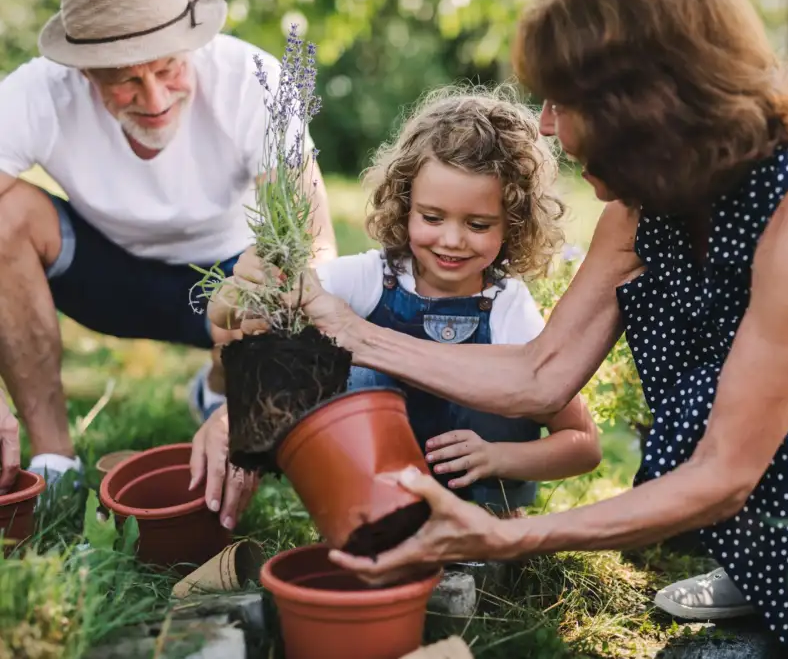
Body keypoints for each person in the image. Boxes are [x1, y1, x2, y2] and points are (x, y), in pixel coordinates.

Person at [281, 0, 788, 657]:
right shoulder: (648, 203)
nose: (544, 126)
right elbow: (543, 373)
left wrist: (510, 536)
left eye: (562, 103)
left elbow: (722, 473)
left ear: (642, 103)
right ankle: (764, 572)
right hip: (769, 482)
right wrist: (353, 334)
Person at [194, 88, 601, 528]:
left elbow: (583, 443)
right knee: (347, 368)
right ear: (405, 207)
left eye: (478, 224)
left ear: (514, 224)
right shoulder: (373, 277)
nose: (451, 239)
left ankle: (489, 528)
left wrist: (499, 457)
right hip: (375, 499)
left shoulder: (508, 308)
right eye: (431, 217)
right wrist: (240, 287)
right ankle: (364, 513)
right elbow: (241, 314)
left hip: (478, 513)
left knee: (503, 381)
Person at [0, 0, 336, 493]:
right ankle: (54, 463)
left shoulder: (251, 79)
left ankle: (219, 391)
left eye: (168, 69)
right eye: (126, 81)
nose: (155, 99)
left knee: (279, 273)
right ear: (84, 72)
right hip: (105, 278)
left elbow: (314, 247)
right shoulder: (39, 91)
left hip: (228, 283)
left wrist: (249, 397)